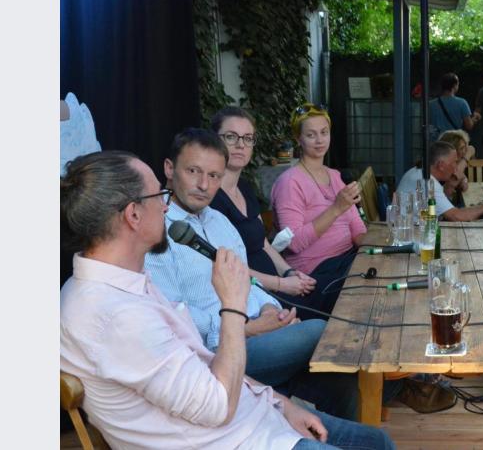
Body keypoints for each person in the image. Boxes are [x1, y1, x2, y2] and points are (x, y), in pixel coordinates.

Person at [61, 150, 395, 449]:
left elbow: (202, 363)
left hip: (260, 422)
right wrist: (233, 307)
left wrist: (281, 404)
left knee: (376, 440)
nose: (166, 205)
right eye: (160, 196)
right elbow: (216, 406)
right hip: (238, 439)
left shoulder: (124, 285)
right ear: (133, 215)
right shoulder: (113, 314)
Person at [144, 128, 359, 420]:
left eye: (214, 176)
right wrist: (246, 327)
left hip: (260, 333)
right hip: (217, 353)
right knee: (323, 331)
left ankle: (327, 430)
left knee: (340, 372)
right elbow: (172, 315)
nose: (204, 185)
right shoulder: (156, 230)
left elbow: (246, 279)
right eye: (193, 171)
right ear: (170, 168)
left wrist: (272, 310)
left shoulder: (220, 221)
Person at [208, 107, 321, 304]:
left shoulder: (245, 187)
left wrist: (289, 272)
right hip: (254, 298)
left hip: (278, 286)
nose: (241, 145)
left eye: (248, 138)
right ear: (214, 140)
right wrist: (281, 283)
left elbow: (264, 244)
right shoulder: (210, 198)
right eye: (231, 137)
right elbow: (222, 267)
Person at [271, 104, 367, 320]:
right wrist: (336, 208)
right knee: (369, 290)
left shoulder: (334, 176)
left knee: (384, 271)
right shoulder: (290, 182)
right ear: (298, 139)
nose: (319, 140)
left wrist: (379, 245)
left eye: (324, 132)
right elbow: (293, 242)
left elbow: (357, 229)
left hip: (346, 260)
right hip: (314, 274)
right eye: (311, 135)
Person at [396, 141, 483, 221]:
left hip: (416, 229)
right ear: (441, 165)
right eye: (454, 162)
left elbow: (436, 205)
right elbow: (456, 216)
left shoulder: (418, 172)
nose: (455, 167)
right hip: (413, 235)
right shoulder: (426, 181)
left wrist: (449, 186)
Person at [428, 72, 479, 138]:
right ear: (454, 85)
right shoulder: (462, 103)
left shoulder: (431, 104)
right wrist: (475, 118)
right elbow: (469, 126)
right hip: (453, 142)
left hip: (437, 142)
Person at [437, 129, 476, 205]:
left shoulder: (455, 165)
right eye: (462, 148)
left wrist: (463, 180)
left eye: (465, 148)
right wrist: (467, 157)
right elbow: (454, 178)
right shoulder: (442, 166)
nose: (464, 152)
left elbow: (463, 184)